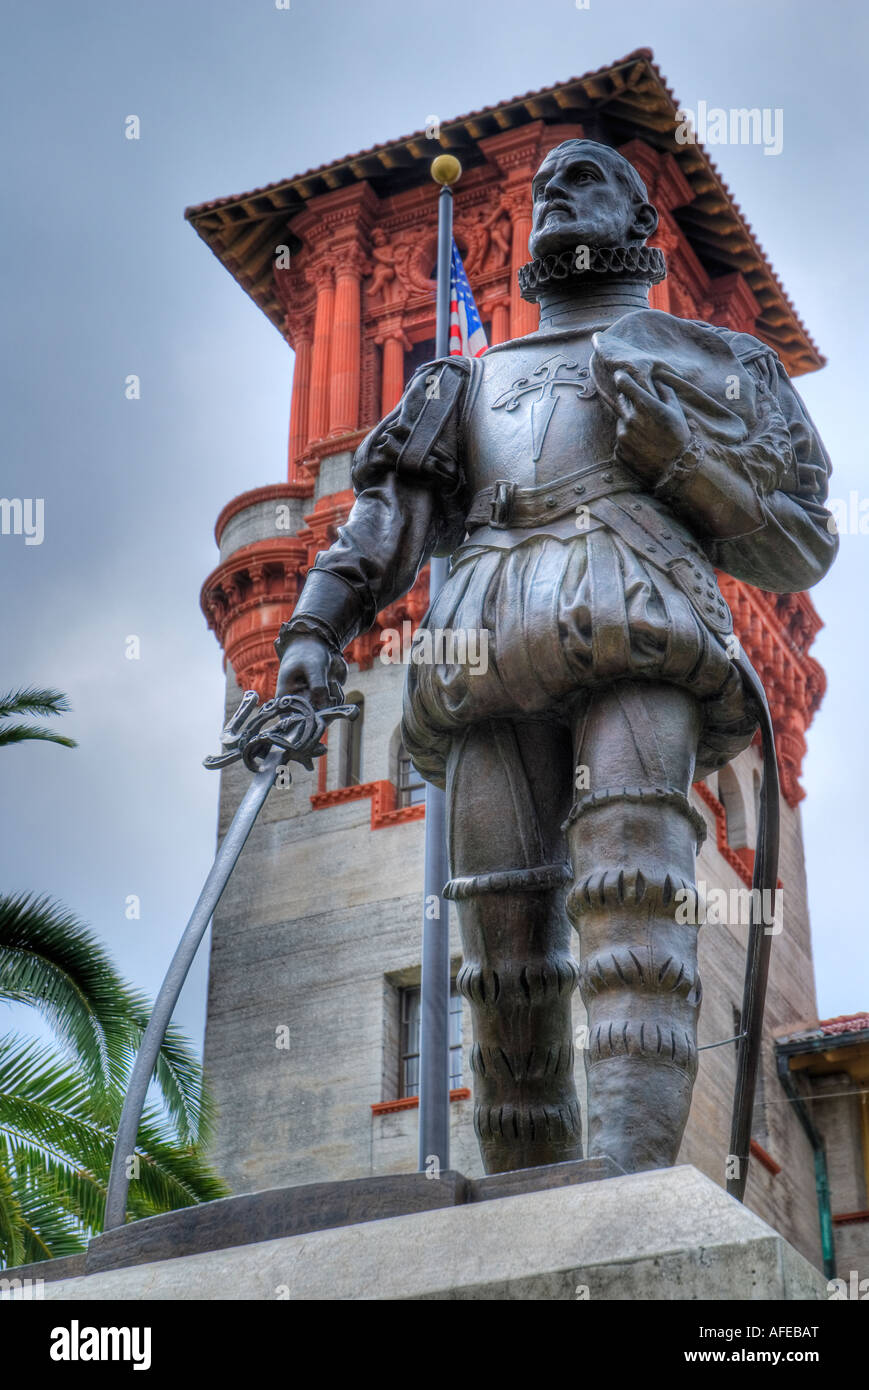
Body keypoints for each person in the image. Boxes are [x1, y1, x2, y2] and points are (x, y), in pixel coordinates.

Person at [273, 140, 837, 1175]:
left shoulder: (715, 363)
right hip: (483, 649)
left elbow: (799, 540)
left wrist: (680, 455)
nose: (551, 197)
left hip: (639, 621)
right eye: (540, 188)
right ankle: (530, 1216)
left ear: (639, 229)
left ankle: (625, 1198)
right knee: (501, 955)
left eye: (587, 184)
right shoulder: (461, 381)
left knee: (631, 895)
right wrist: (309, 632)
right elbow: (378, 529)